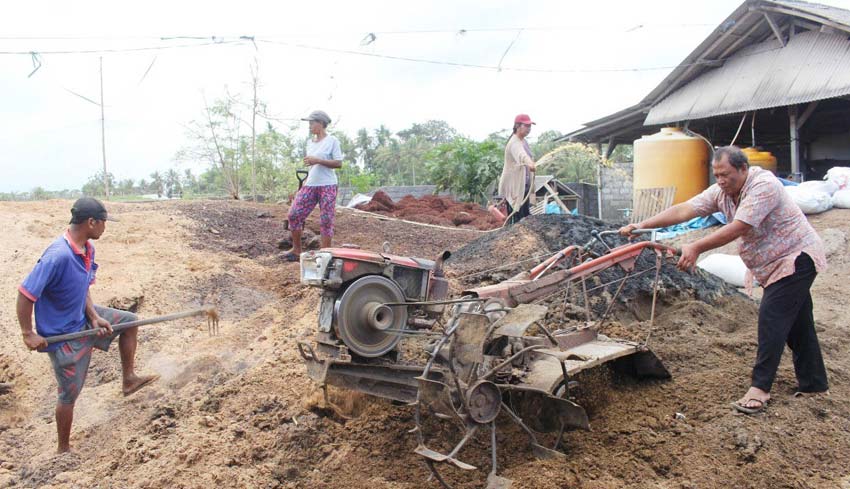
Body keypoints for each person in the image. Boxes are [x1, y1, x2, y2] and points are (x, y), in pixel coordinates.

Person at [619, 146, 829, 414]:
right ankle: (814, 384)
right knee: (798, 323)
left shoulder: (763, 185)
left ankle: (760, 389)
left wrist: (696, 247)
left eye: (725, 174)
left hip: (795, 257)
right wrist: (643, 226)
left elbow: (740, 227)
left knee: (772, 319)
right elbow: (686, 209)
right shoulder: (722, 192)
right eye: (716, 175)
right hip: (771, 263)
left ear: (743, 169)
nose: (720, 180)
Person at [17, 197, 158, 453]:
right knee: (69, 394)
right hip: (63, 335)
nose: (105, 227)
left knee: (129, 321)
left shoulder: (87, 249)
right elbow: (26, 294)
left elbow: (82, 288)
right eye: (104, 222)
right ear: (91, 222)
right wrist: (29, 333)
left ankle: (129, 380)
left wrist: (94, 316)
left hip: (82, 319)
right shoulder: (57, 256)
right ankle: (63, 448)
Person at [282, 110, 343, 261]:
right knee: (294, 215)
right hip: (311, 184)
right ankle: (297, 250)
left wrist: (318, 160)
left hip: (328, 185)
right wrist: (306, 181)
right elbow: (313, 166)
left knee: (326, 219)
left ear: (321, 123)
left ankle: (325, 254)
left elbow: (338, 163)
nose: (309, 126)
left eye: (311, 123)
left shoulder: (332, 141)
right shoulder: (310, 143)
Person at [498, 114, 537, 225]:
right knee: (517, 222)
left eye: (530, 126)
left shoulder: (523, 141)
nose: (529, 129)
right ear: (517, 126)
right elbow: (521, 155)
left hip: (523, 188)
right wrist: (530, 163)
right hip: (515, 189)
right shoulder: (514, 142)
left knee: (525, 219)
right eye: (527, 126)